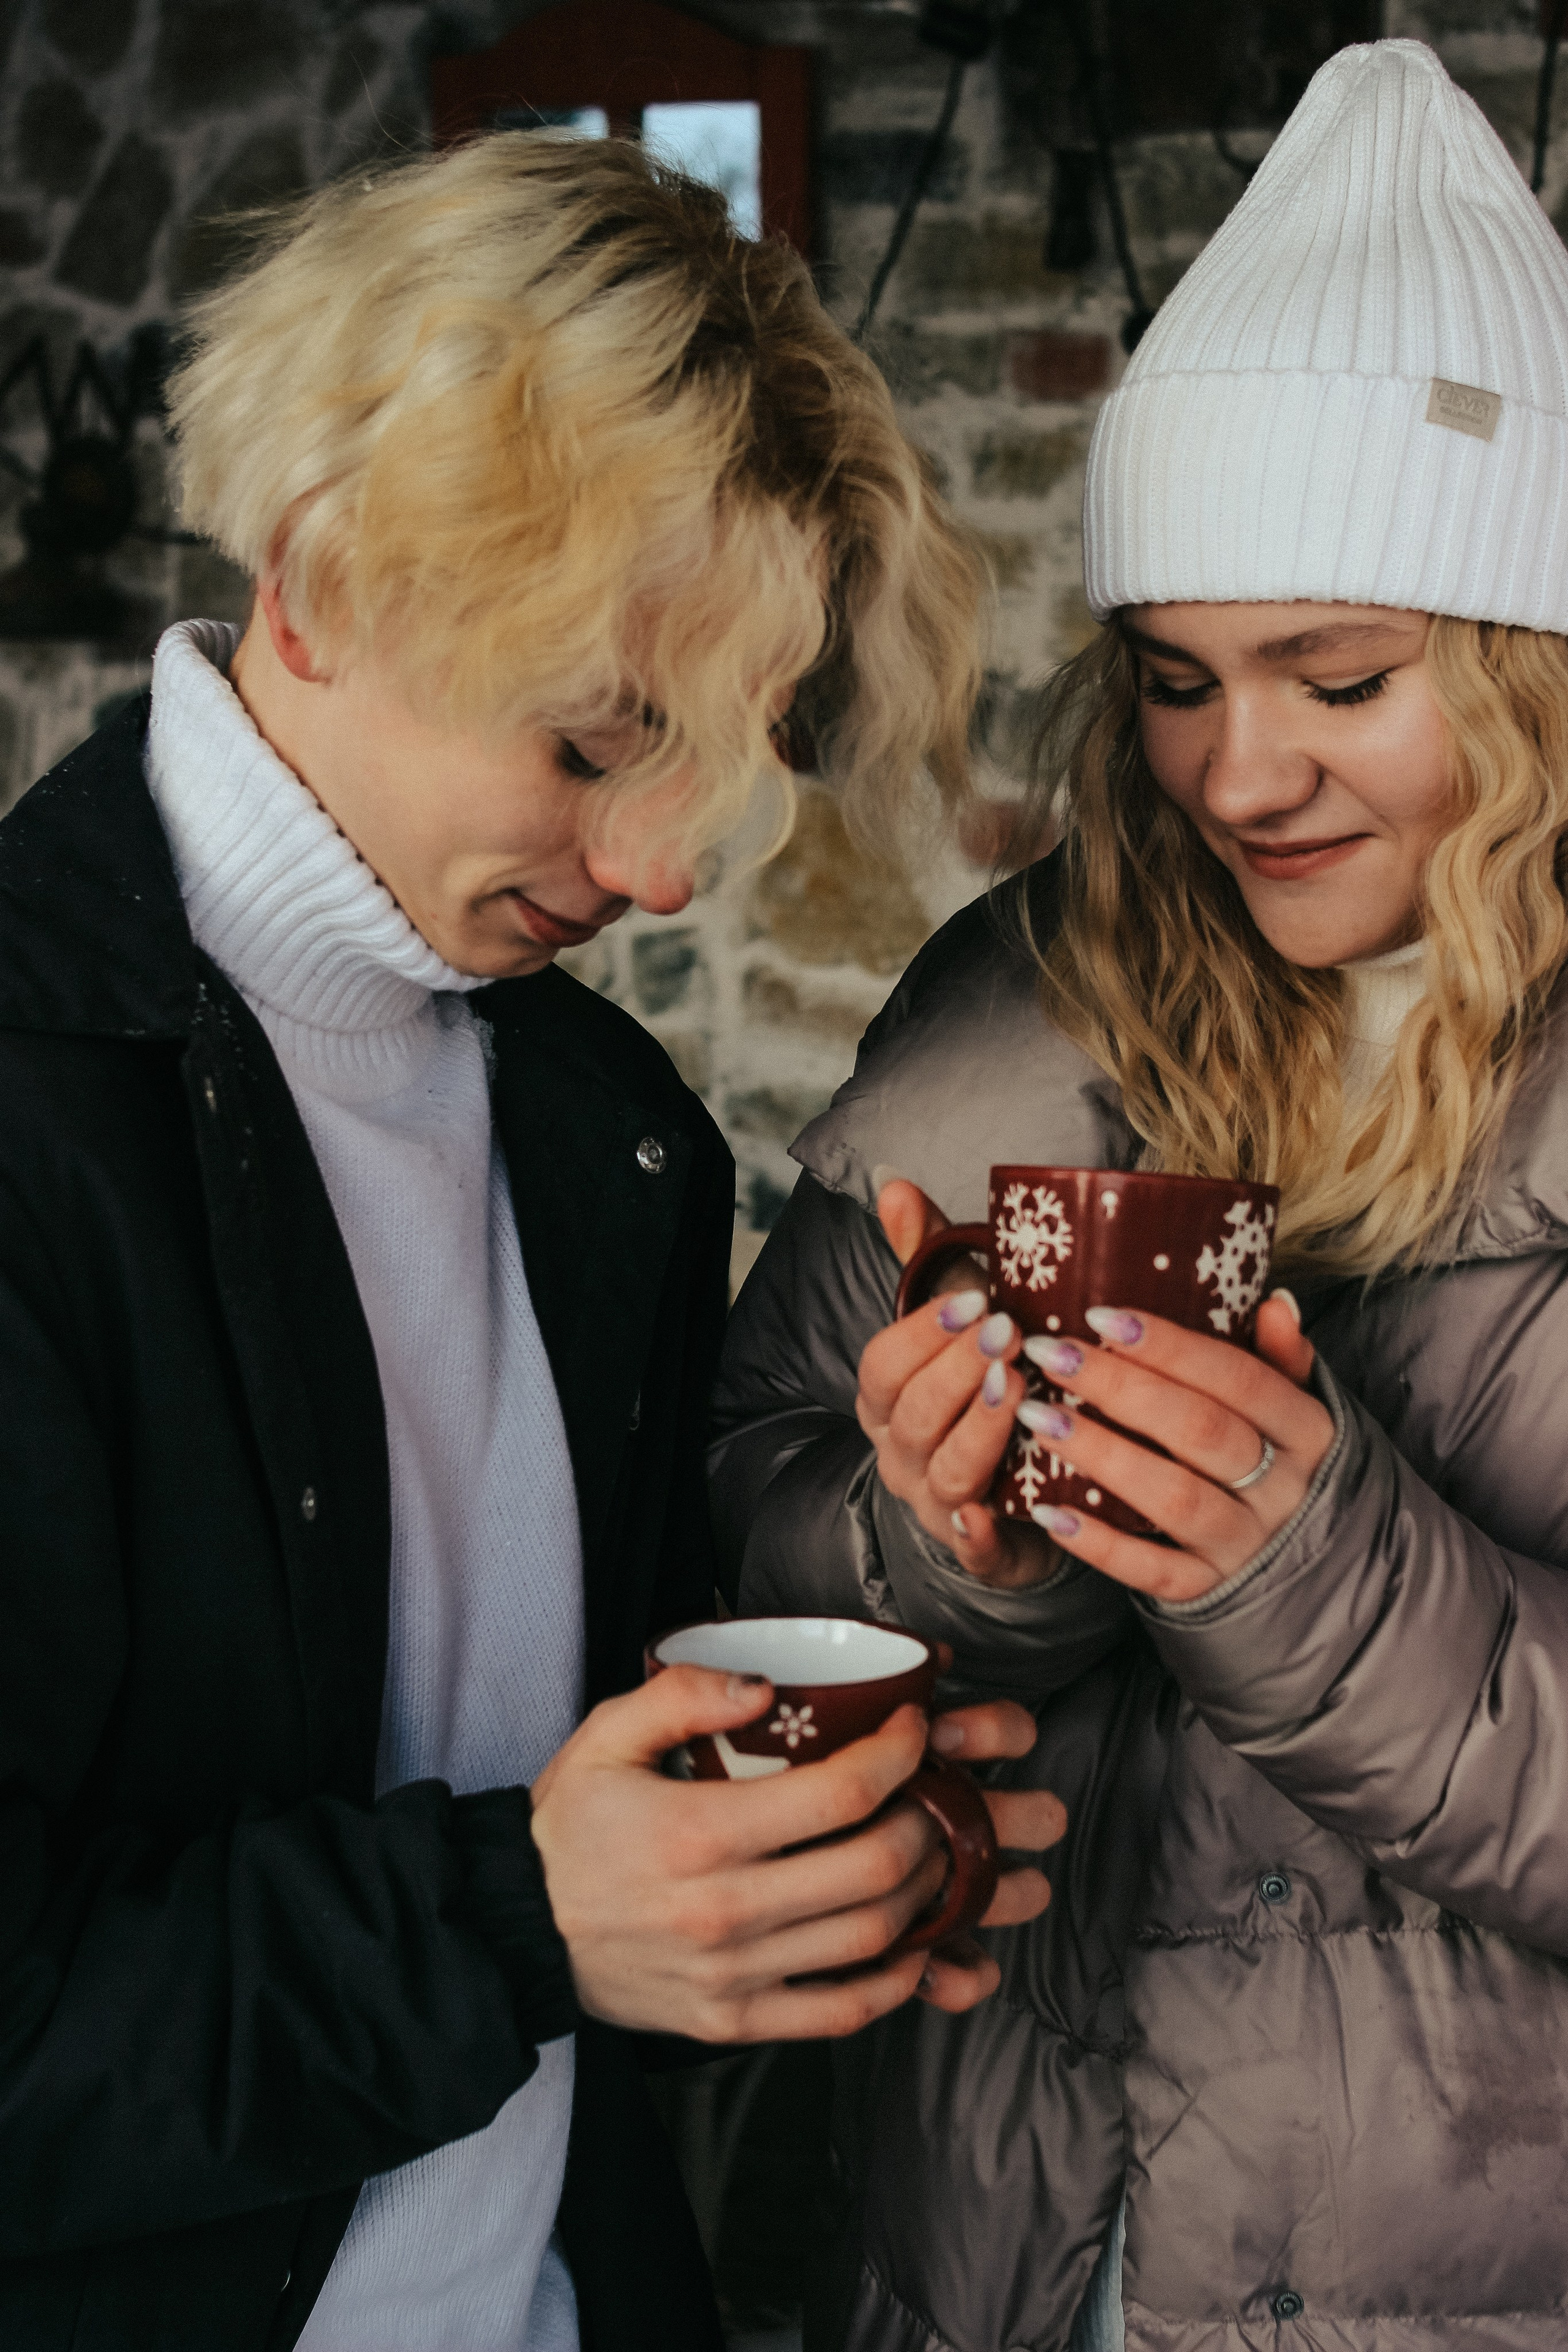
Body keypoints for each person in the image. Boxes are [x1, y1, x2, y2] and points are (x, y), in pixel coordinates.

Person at [0, 136, 1066, 2352]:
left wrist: (795, 1844)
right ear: (321, 578)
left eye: (719, 758)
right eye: (597, 740)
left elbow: (582, 1836)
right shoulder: (27, 1111)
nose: (670, 869)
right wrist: (520, 1921)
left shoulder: (609, 1135)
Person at [711, 39, 1568, 2351]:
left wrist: (1318, 1576)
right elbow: (756, 1501)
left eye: (1343, 674)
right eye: (1177, 680)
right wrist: (938, 1547)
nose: (1239, 770)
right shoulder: (1014, 999)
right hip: (1014, 2249)